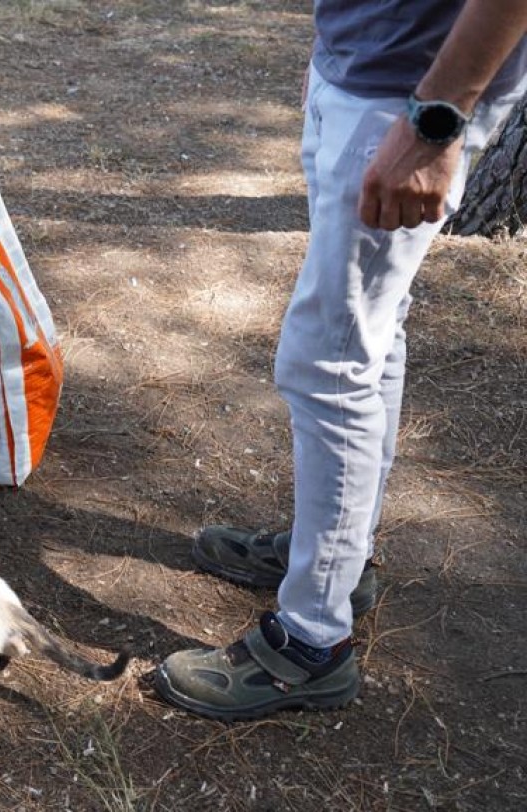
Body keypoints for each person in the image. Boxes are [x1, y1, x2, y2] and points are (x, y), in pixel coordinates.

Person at [155, 0, 527, 720]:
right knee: (366, 335)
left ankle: (311, 644)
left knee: (329, 360)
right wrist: (337, 50)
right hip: (375, 70)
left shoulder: (425, 106)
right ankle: (334, 560)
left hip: (416, 92)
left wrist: (435, 117)